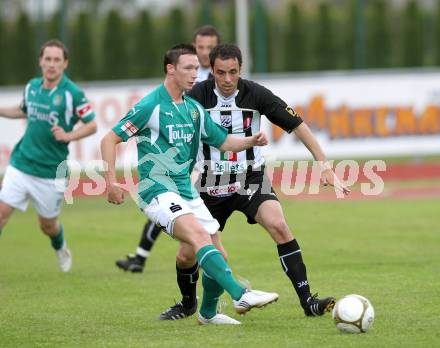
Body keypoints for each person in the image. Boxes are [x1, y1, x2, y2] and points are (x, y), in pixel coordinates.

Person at [156, 44, 350, 321]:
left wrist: (325, 166)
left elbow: (298, 125)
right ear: (211, 70)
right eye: (220, 72)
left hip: (250, 178)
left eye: (232, 72)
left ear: (240, 70)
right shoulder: (195, 95)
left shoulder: (255, 94)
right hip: (210, 182)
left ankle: (308, 301)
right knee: (187, 254)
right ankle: (188, 304)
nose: (227, 79)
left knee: (279, 226)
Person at [101, 44, 279, 325]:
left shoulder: (193, 108)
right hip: (156, 190)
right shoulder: (151, 106)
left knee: (219, 253)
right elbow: (109, 139)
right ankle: (240, 294)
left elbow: (222, 141)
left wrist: (250, 140)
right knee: (197, 236)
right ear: (170, 69)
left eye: (197, 68)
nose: (195, 73)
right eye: (188, 67)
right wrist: (111, 182)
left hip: (186, 190)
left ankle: (207, 314)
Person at [116, 25, 221, 273]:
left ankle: (146, 259)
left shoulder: (219, 79)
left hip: (208, 157)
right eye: (200, 47)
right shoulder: (185, 79)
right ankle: (142, 257)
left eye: (210, 48)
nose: (204, 53)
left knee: (183, 214)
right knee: (171, 204)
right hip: (184, 159)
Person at [0, 39, 97, 272]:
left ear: (65, 64)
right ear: (40, 61)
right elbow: (22, 110)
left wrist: (68, 135)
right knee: (1, 214)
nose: (51, 64)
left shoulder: (72, 93)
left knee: (48, 226)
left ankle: (60, 245)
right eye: (47, 59)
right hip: (21, 164)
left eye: (57, 60)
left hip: (50, 172)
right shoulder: (32, 86)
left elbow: (92, 125)